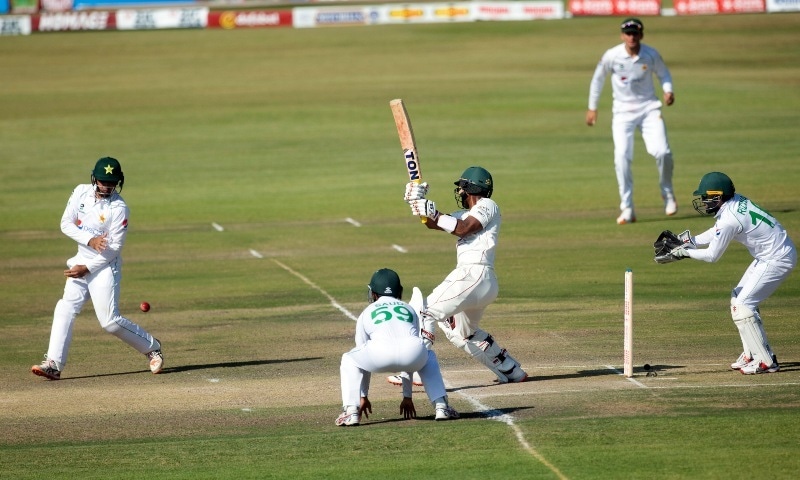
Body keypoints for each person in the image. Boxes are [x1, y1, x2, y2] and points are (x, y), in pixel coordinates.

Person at [31, 157, 163, 380]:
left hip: (104, 267)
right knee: (65, 308)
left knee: (109, 322)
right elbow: (65, 224)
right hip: (80, 261)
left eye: (111, 182)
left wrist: (88, 267)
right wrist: (91, 240)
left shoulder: (119, 208)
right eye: (102, 181)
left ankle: (152, 348)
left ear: (118, 182)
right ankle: (53, 364)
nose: (106, 186)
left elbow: (114, 248)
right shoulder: (80, 192)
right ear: (94, 179)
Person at [656, 172, 796, 374]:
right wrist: (690, 241)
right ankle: (751, 354)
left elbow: (713, 255)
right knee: (738, 297)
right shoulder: (735, 202)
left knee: (743, 305)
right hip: (771, 254)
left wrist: (685, 252)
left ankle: (766, 362)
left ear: (718, 196)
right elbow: (716, 232)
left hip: (777, 258)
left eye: (706, 197)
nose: (703, 201)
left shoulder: (730, 219)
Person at [402, 166, 528, 384]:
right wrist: (418, 203)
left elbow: (463, 228)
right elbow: (435, 224)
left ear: (470, 188)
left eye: (461, 188)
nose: (459, 192)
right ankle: (510, 369)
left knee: (425, 312)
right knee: (462, 332)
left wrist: (433, 212)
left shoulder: (487, 205)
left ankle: (414, 368)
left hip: (473, 274)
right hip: (480, 281)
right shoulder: (463, 214)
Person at [337, 268, 459, 426]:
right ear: (399, 291)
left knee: (349, 359)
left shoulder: (367, 312)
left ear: (373, 293)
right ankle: (441, 406)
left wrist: (363, 396)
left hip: (379, 356)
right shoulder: (409, 310)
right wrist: (407, 396)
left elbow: (362, 359)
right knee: (428, 356)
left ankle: (351, 412)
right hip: (412, 355)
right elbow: (408, 348)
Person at [586, 17, 677, 225]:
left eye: (635, 33)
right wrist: (593, 107)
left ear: (641, 35)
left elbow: (664, 74)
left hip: (649, 108)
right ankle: (627, 208)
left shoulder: (650, 54)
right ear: (622, 35)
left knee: (662, 152)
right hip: (622, 113)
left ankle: (668, 193)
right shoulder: (612, 55)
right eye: (628, 33)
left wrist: (668, 91)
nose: (631, 37)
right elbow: (598, 79)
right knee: (621, 158)